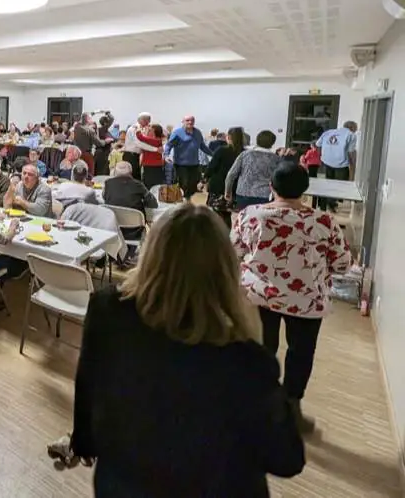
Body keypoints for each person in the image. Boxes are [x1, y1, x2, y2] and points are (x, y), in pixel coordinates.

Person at [68, 205, 305, 495]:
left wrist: (83, 442)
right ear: (225, 268)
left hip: (122, 483)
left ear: (150, 253)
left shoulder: (108, 309)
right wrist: (253, 335)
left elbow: (89, 382)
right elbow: (287, 458)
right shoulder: (245, 358)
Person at [233, 161, 352, 434]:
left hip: (259, 295)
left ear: (271, 187)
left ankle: (259, 405)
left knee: (262, 351)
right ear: (305, 190)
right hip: (307, 299)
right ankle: (291, 408)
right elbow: (343, 264)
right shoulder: (324, 221)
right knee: (301, 354)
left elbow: (235, 251)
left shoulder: (251, 215)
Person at [224, 130, 281, 210]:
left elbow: (231, 174)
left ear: (257, 140)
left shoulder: (245, 154)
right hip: (264, 195)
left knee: (243, 219)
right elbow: (278, 179)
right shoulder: (276, 159)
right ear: (272, 143)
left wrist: (228, 191)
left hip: (243, 194)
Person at [103, 162, 158, 240]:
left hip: (113, 228)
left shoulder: (108, 183)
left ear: (115, 172)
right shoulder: (138, 185)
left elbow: (105, 197)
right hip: (135, 231)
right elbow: (153, 204)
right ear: (131, 173)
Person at [203, 126, 245, 227]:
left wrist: (203, 180)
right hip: (234, 188)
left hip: (218, 187)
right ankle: (226, 236)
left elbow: (211, 167)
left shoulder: (221, 150)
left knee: (217, 214)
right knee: (227, 214)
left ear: (228, 137)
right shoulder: (244, 153)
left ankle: (219, 237)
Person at [164, 115, 212, 200]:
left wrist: (213, 154)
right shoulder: (177, 132)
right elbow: (169, 145)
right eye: (187, 120)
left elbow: (202, 146)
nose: (190, 122)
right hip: (181, 165)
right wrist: (166, 155)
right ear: (183, 122)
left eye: (192, 120)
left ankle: (187, 201)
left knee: (193, 186)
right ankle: (182, 203)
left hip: (195, 164)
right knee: (183, 185)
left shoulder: (197, 132)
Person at [316, 120, 358, 211]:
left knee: (329, 182)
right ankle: (331, 203)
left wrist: (321, 156)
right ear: (352, 128)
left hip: (327, 162)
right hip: (340, 164)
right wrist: (353, 166)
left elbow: (318, 144)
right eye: (355, 130)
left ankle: (327, 203)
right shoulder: (351, 135)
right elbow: (351, 153)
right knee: (339, 185)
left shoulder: (328, 132)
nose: (355, 131)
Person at [122, 112, 158, 177]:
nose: (148, 124)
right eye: (147, 122)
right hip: (131, 156)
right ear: (143, 120)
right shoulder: (135, 128)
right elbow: (139, 143)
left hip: (135, 156)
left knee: (136, 176)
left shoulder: (141, 129)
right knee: (133, 176)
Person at [137, 123, 166, 188]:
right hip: (154, 166)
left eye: (150, 130)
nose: (148, 131)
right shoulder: (157, 140)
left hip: (151, 166)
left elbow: (140, 137)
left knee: (149, 185)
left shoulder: (155, 140)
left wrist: (138, 127)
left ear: (154, 132)